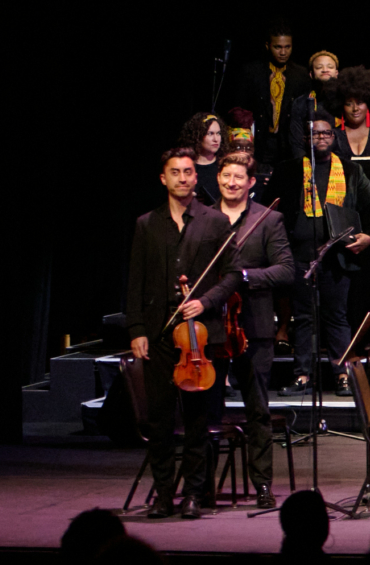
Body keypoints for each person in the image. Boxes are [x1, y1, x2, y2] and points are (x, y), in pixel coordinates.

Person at [122, 148, 229, 517]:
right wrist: (136, 328)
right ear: (163, 178)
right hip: (159, 333)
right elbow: (134, 282)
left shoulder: (215, 223)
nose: (183, 178)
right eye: (175, 172)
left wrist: (207, 301)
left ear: (195, 178)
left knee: (198, 421)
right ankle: (165, 494)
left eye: (188, 172)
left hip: (198, 335)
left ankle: (194, 495)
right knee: (161, 421)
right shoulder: (146, 224)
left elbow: (231, 276)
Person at [206, 152, 295, 509]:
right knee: (208, 409)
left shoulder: (268, 220)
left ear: (251, 182)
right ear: (218, 178)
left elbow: (286, 270)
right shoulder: (204, 218)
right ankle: (203, 487)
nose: (231, 183)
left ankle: (262, 485)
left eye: (238, 177)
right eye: (226, 176)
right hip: (212, 327)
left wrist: (244, 277)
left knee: (257, 409)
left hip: (254, 326)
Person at [285, 113, 370, 398]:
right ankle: (302, 376)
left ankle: (342, 375)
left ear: (334, 137)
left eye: (326, 133)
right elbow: (274, 212)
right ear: (306, 139)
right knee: (303, 318)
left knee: (337, 317)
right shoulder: (290, 171)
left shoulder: (351, 172)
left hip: (337, 258)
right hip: (299, 258)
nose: (321, 138)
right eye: (315, 134)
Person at [232, 29, 299, 159]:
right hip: (257, 142)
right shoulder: (251, 72)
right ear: (268, 46)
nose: (283, 52)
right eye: (278, 47)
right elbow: (238, 107)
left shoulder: (299, 75)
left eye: (287, 47)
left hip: (288, 145)